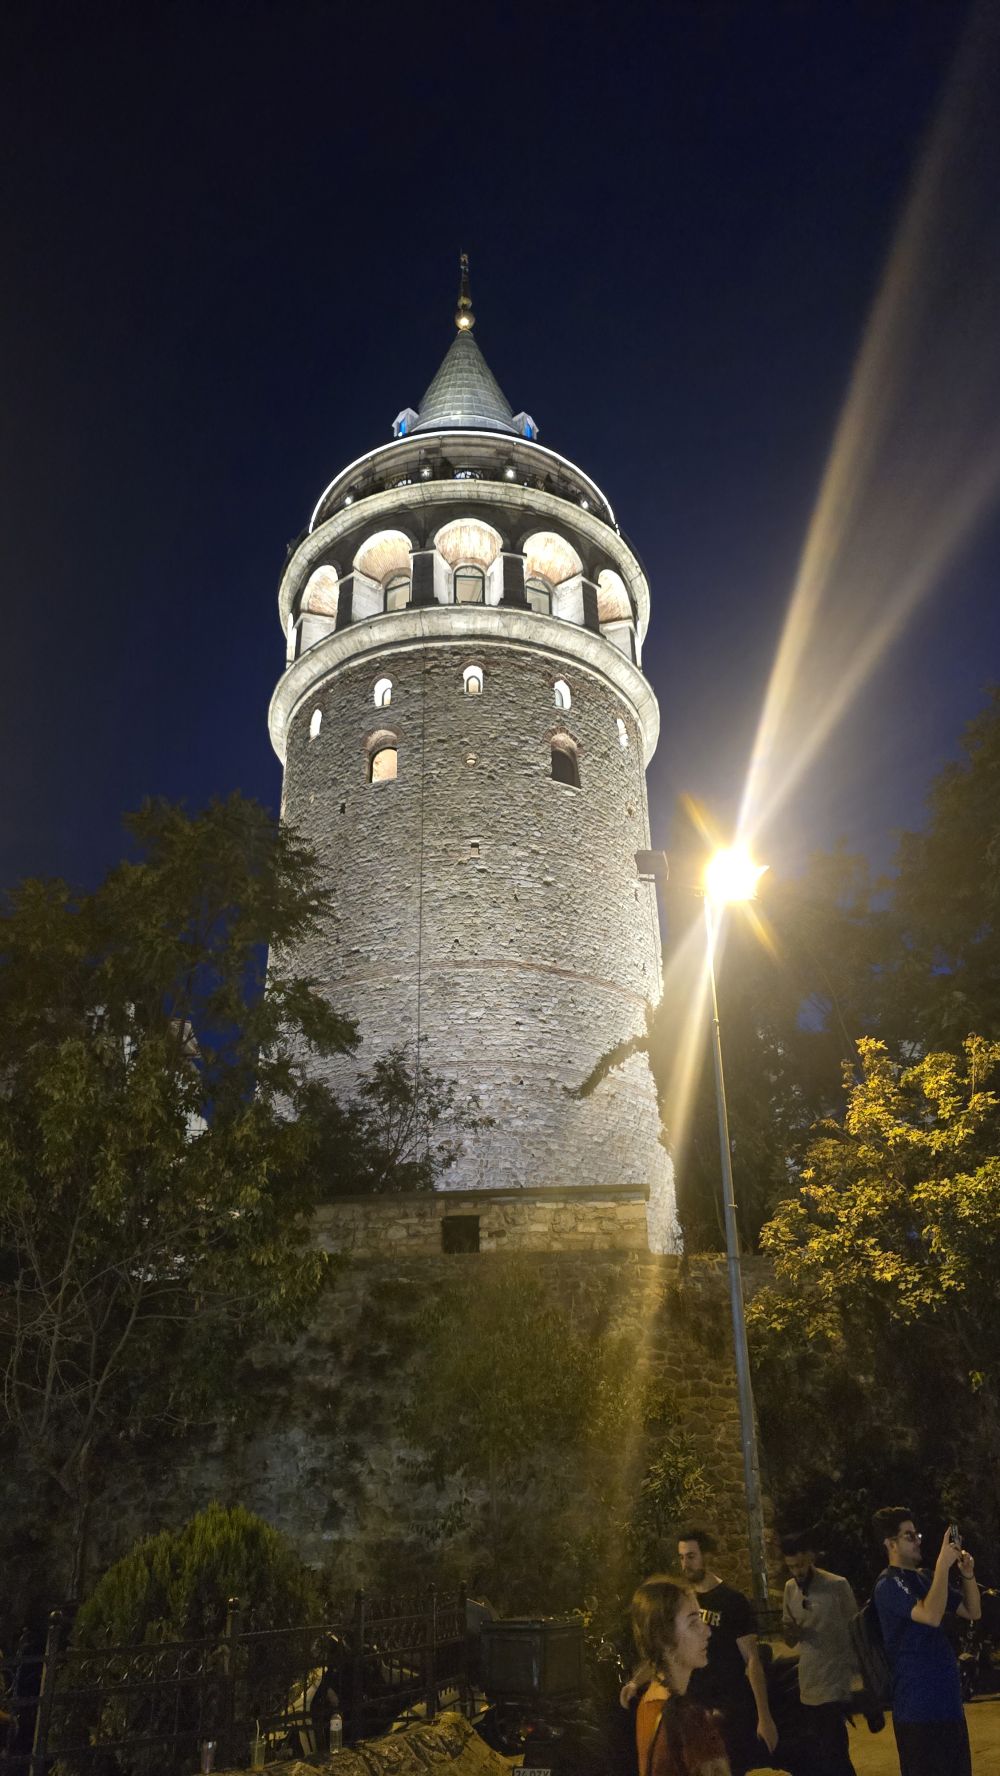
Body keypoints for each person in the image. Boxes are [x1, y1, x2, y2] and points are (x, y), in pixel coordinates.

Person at [623, 1529, 777, 1776]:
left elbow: (752, 1660)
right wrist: (635, 1682)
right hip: (694, 1702)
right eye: (681, 1557)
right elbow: (665, 1652)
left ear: (706, 1556)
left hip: (728, 1706)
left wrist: (764, 1716)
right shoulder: (683, 1602)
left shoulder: (732, 1601)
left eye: (691, 1556)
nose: (685, 1564)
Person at [872, 1506, 980, 1776]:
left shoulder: (926, 1578)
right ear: (890, 1544)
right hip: (917, 1713)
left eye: (917, 1534)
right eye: (909, 1536)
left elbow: (972, 1611)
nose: (917, 1540)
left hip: (949, 1707)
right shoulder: (888, 1584)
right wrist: (943, 1565)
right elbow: (930, 1615)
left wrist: (967, 1574)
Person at [631, 1573, 730, 1775]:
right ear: (663, 1638)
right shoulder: (687, 1720)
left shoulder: (649, 1703)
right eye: (693, 1623)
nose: (707, 1632)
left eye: (701, 1618)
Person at [780, 1529, 859, 1776]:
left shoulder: (837, 1585)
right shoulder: (790, 1589)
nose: (797, 1572)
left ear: (811, 1557)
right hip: (809, 1681)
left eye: (801, 1565)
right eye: (792, 1567)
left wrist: (859, 1674)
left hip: (834, 1680)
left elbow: (856, 1629)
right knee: (820, 1753)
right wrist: (792, 1633)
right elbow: (790, 1639)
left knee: (835, 1751)